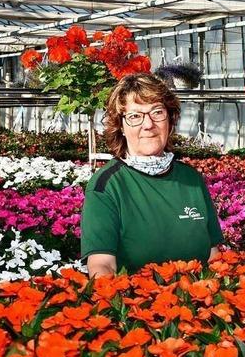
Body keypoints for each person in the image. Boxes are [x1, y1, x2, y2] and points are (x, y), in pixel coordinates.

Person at [81, 73, 223, 277]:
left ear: (170, 118)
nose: (148, 124)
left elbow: (212, 255)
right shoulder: (107, 185)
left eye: (157, 112)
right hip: (138, 304)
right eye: (135, 116)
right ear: (120, 126)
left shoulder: (191, 180)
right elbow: (102, 265)